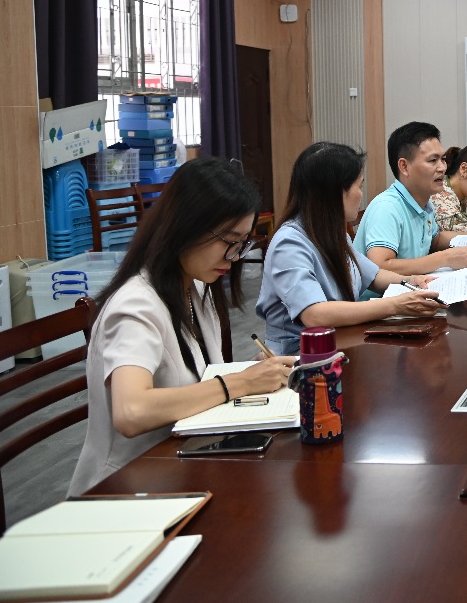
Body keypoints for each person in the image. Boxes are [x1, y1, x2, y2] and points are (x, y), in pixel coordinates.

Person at [70, 157, 298, 495]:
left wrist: (251, 374)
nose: (235, 257)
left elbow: (194, 378)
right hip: (127, 488)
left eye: (242, 244)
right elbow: (131, 412)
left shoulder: (194, 287)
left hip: (183, 464)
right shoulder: (136, 305)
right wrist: (238, 383)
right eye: (229, 241)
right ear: (184, 227)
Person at [258, 142, 443, 356]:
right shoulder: (289, 243)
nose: (361, 194)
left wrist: (410, 281)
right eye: (359, 186)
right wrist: (396, 305)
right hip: (300, 356)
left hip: (343, 342)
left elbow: (372, 275)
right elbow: (315, 314)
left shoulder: (332, 231)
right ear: (336, 192)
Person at [354, 122, 467, 277]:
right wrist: (444, 258)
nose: (442, 168)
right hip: (385, 292)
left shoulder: (425, 202)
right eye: (432, 160)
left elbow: (434, 240)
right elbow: (380, 265)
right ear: (404, 167)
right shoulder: (387, 207)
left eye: (443, 159)